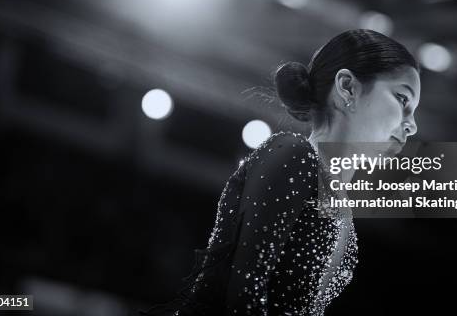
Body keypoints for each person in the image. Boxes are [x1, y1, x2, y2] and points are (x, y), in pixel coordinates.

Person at [139, 29, 420, 315]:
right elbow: (241, 296)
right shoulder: (294, 154)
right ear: (348, 87)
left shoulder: (341, 207)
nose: (412, 125)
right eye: (402, 99)